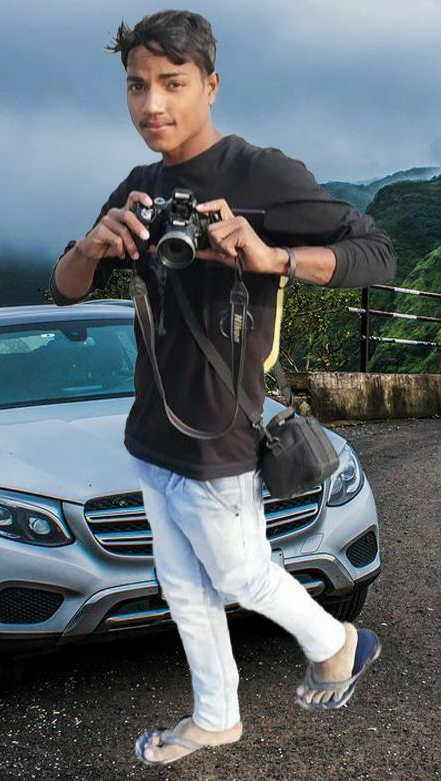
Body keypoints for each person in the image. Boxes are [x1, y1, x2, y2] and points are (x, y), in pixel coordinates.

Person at [49, 10, 395, 767]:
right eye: (136, 86)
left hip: (220, 431)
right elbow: (65, 288)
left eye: (172, 84)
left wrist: (274, 257)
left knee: (239, 570)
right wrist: (93, 245)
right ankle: (215, 715)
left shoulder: (258, 173)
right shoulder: (141, 186)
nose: (152, 105)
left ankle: (337, 644)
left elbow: (376, 253)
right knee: (182, 587)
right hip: (152, 430)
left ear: (210, 84)